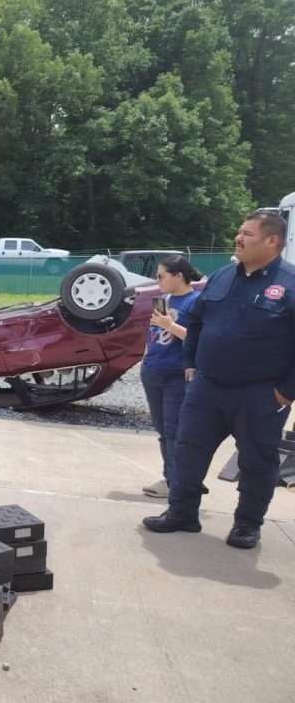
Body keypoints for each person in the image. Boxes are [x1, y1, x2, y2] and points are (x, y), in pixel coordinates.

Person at [143, 211, 295, 549]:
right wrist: (191, 364)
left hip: (261, 394)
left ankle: (247, 525)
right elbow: (195, 322)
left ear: (272, 241)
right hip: (208, 387)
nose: (238, 238)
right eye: (239, 231)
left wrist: (285, 393)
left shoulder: (290, 284)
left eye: (247, 233)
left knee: (257, 461)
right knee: (187, 451)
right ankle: (182, 513)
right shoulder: (222, 277)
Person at [140, 255, 202, 498]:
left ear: (178, 276)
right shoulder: (163, 300)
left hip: (176, 374)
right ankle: (172, 478)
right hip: (154, 370)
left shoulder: (196, 302)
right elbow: (155, 333)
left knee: (174, 430)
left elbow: (198, 338)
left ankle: (180, 482)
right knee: (162, 430)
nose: (158, 281)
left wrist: (170, 325)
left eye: (161, 276)